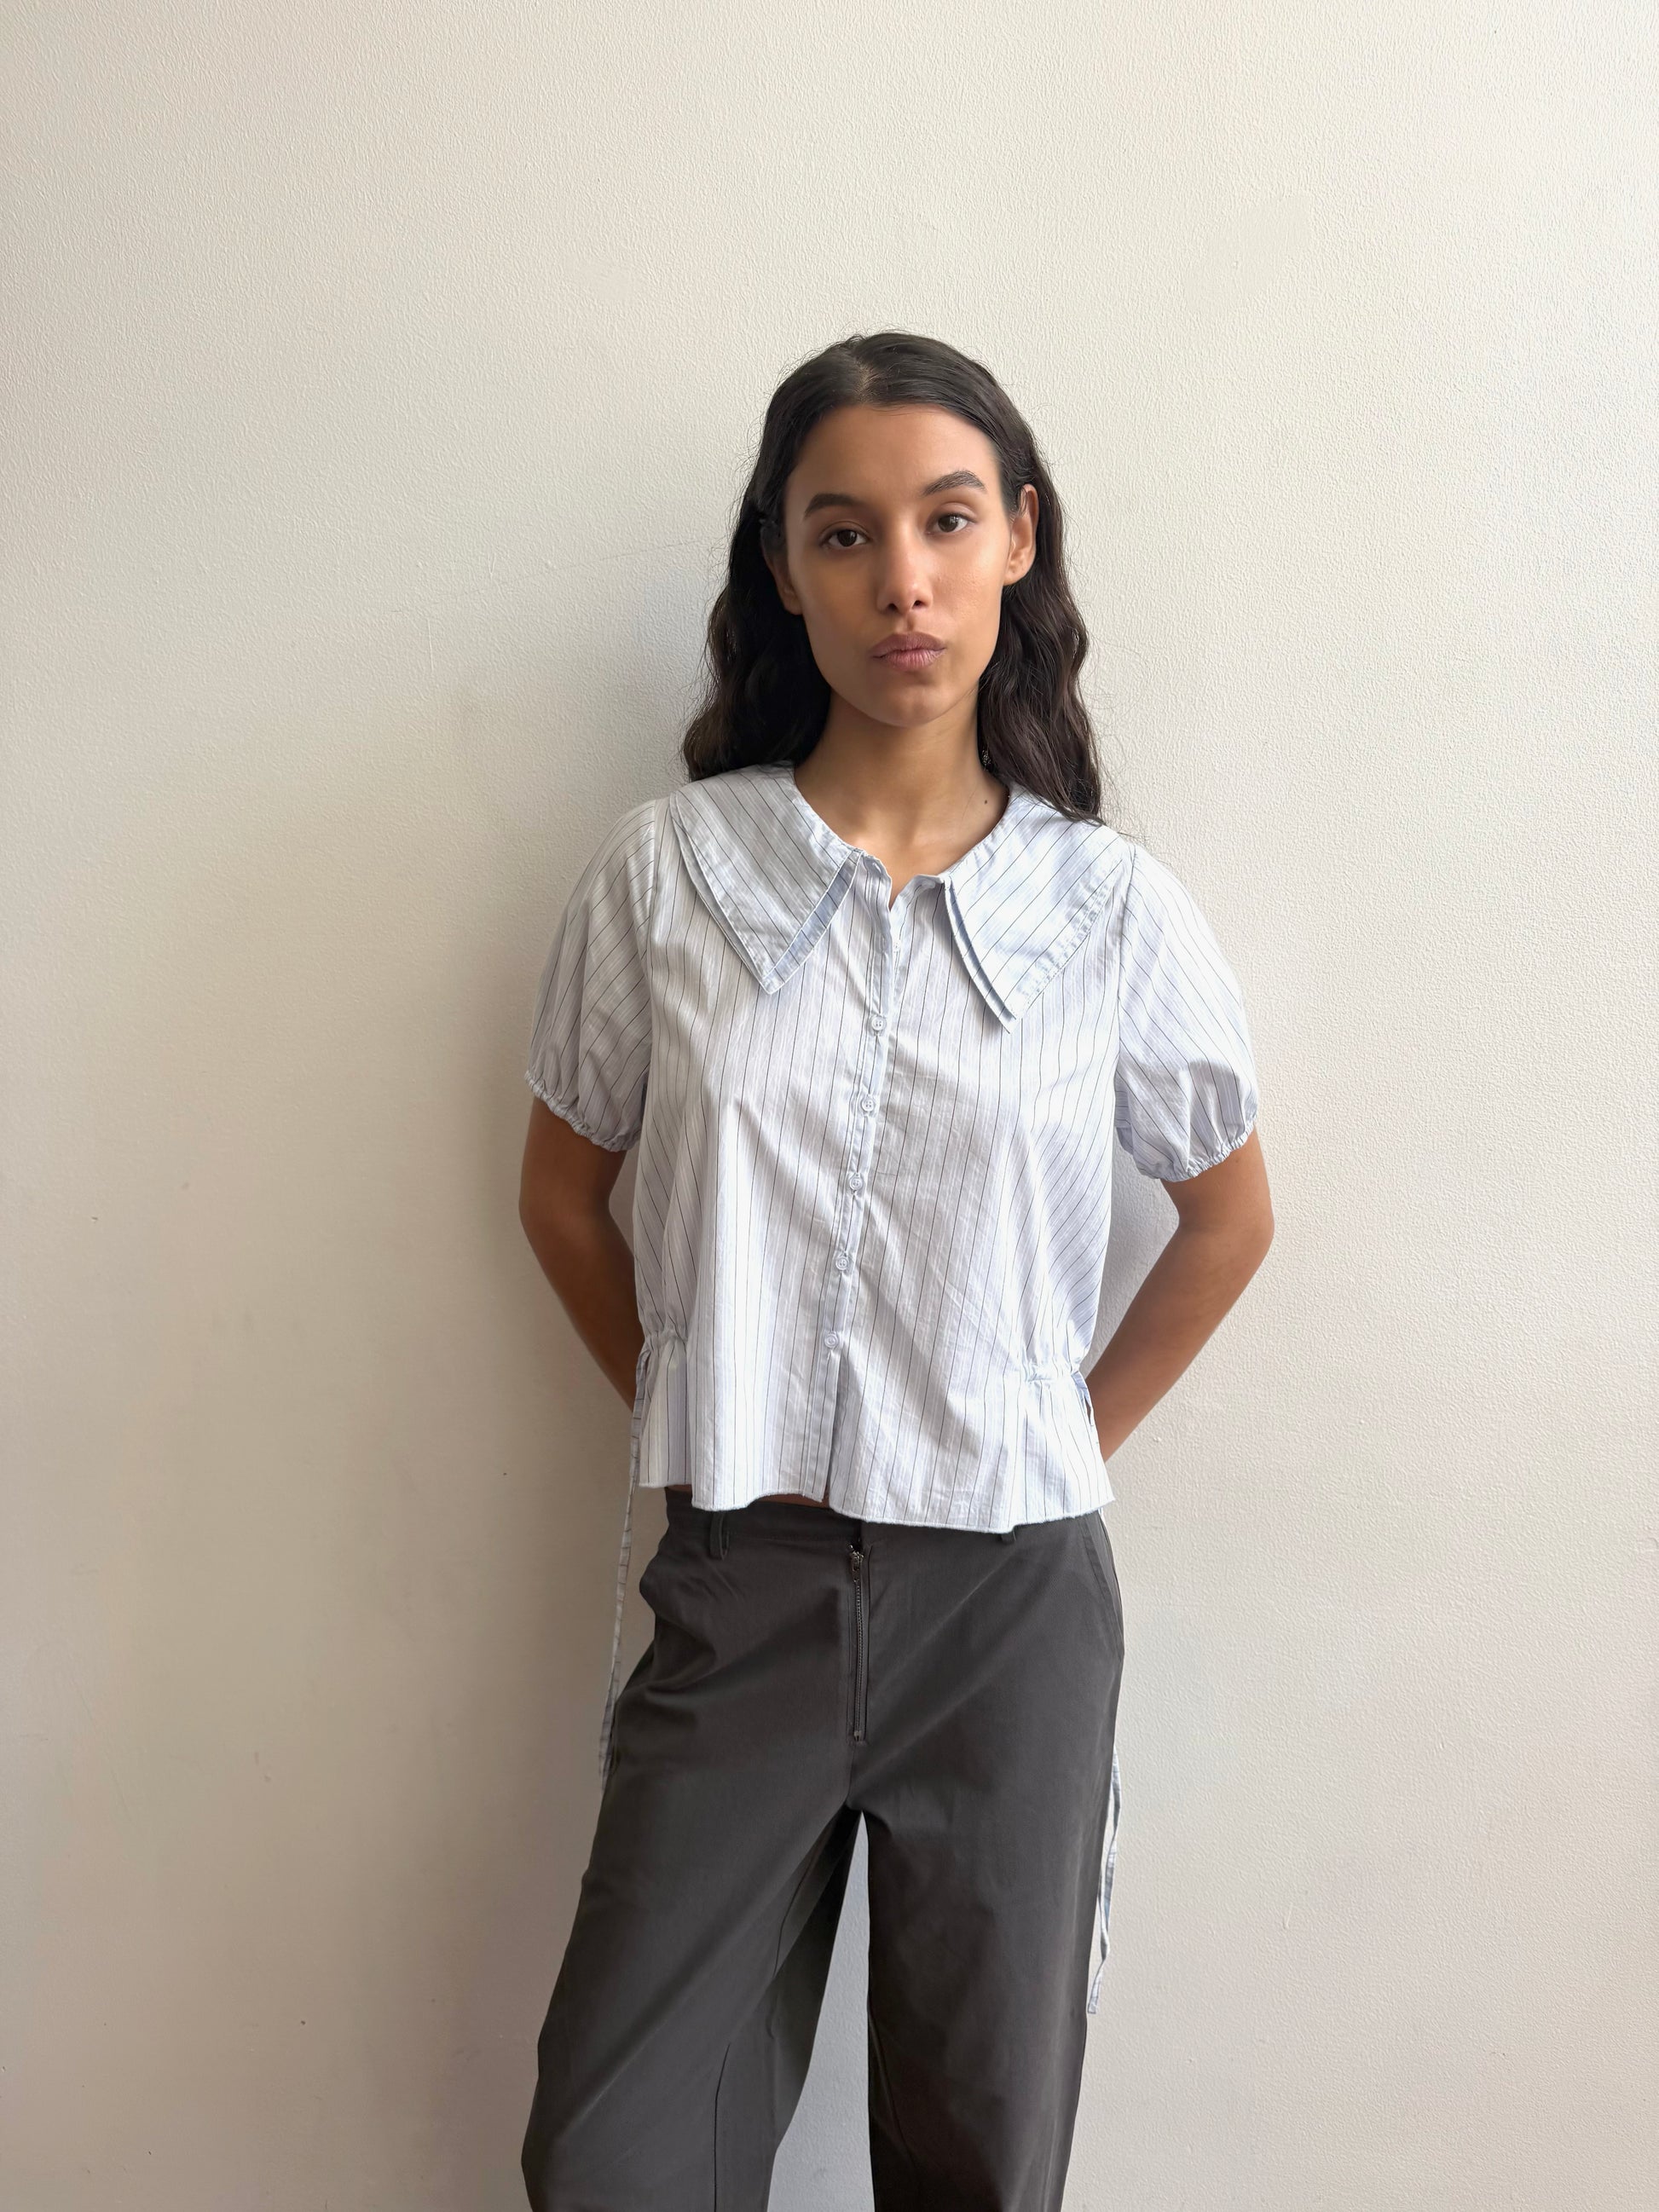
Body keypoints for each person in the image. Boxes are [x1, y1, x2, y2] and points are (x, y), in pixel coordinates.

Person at [516, 330, 1274, 2211]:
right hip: (743, 1570)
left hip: (1011, 1602)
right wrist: (703, 1387)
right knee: (613, 2155)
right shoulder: (665, 876)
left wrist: (1057, 1429)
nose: (901, 581)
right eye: (842, 532)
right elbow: (558, 1191)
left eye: (945, 521)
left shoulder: (1107, 911)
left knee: (976, 2156)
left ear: (1020, 538)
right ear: (783, 569)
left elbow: (1232, 1212)